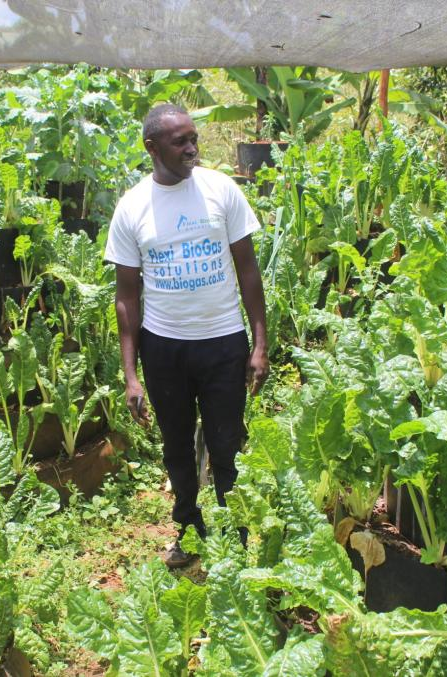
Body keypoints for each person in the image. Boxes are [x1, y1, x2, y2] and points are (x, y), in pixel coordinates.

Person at [104, 103, 269, 567]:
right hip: (165, 349)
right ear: (151, 147)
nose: (192, 148)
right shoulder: (132, 207)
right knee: (177, 449)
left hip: (222, 343)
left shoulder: (221, 191)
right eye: (180, 142)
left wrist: (259, 344)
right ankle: (189, 532)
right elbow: (126, 298)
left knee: (225, 444)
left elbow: (248, 269)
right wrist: (131, 375)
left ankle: (233, 539)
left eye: (194, 138)